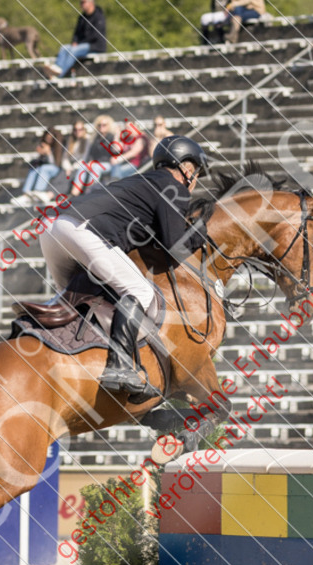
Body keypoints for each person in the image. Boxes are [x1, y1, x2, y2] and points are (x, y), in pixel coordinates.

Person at [37, 136, 208, 397]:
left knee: (76, 302)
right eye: (196, 173)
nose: (195, 181)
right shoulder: (174, 187)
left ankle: (64, 361)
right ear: (186, 168)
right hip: (82, 231)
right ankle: (118, 367)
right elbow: (175, 247)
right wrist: (199, 234)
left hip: (53, 227)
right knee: (141, 292)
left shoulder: (141, 181)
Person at [45, 0, 107, 80]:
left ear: (91, 2)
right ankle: (57, 68)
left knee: (74, 50)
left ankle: (59, 74)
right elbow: (77, 33)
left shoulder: (99, 17)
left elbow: (95, 36)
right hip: (81, 45)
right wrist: (75, 41)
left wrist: (79, 44)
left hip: (95, 46)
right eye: (81, 2)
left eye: (84, 2)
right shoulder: (82, 17)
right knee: (64, 48)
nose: (81, 5)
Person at [13, 129, 65, 206]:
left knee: (44, 168)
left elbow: (55, 163)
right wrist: (40, 154)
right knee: (34, 169)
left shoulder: (59, 147)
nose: (48, 140)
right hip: (44, 168)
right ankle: (26, 194)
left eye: (50, 138)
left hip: (57, 169)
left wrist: (48, 153)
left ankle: (38, 191)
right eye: (47, 138)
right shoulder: (43, 145)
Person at [70, 114, 115, 196]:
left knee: (96, 167)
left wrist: (94, 163)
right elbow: (91, 154)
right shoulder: (96, 138)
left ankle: (90, 191)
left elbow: (111, 154)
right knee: (83, 166)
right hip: (96, 163)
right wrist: (90, 162)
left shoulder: (112, 137)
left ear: (109, 126)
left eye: (104, 125)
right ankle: (74, 192)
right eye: (99, 125)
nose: (101, 127)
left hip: (108, 164)